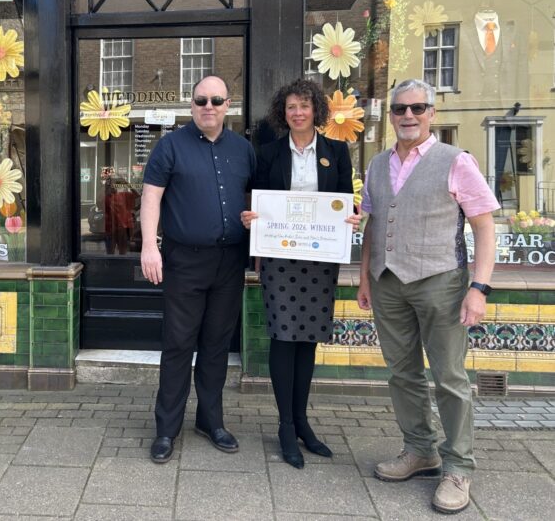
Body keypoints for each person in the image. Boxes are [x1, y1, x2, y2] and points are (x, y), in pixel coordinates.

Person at [356, 79, 497, 514]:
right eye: (400, 109)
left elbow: (484, 227)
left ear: (431, 112)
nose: (408, 116)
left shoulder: (456, 161)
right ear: (392, 114)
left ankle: (458, 467)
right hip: (387, 281)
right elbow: (373, 226)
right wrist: (364, 278)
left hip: (440, 281)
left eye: (417, 107)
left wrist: (479, 288)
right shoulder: (377, 164)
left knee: (450, 378)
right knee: (402, 373)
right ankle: (421, 450)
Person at [240, 78, 360, 469]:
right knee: (283, 336)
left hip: (319, 259)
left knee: (308, 339)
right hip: (279, 258)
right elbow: (259, 199)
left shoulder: (337, 152)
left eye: (304, 106)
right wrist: (252, 218)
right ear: (283, 112)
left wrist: (352, 219)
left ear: (316, 111)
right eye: (291, 107)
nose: (297, 113)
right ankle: (286, 426)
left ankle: (304, 422)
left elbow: (344, 201)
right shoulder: (269, 152)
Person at [141, 75, 256, 464]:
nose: (209, 106)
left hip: (229, 261)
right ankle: (166, 429)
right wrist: (148, 246)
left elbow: (255, 200)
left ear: (228, 105)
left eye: (217, 100)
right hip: (184, 260)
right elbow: (151, 199)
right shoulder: (170, 146)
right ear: (191, 105)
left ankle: (211, 421)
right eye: (201, 100)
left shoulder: (244, 150)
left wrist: (256, 221)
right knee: (177, 344)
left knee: (216, 346)